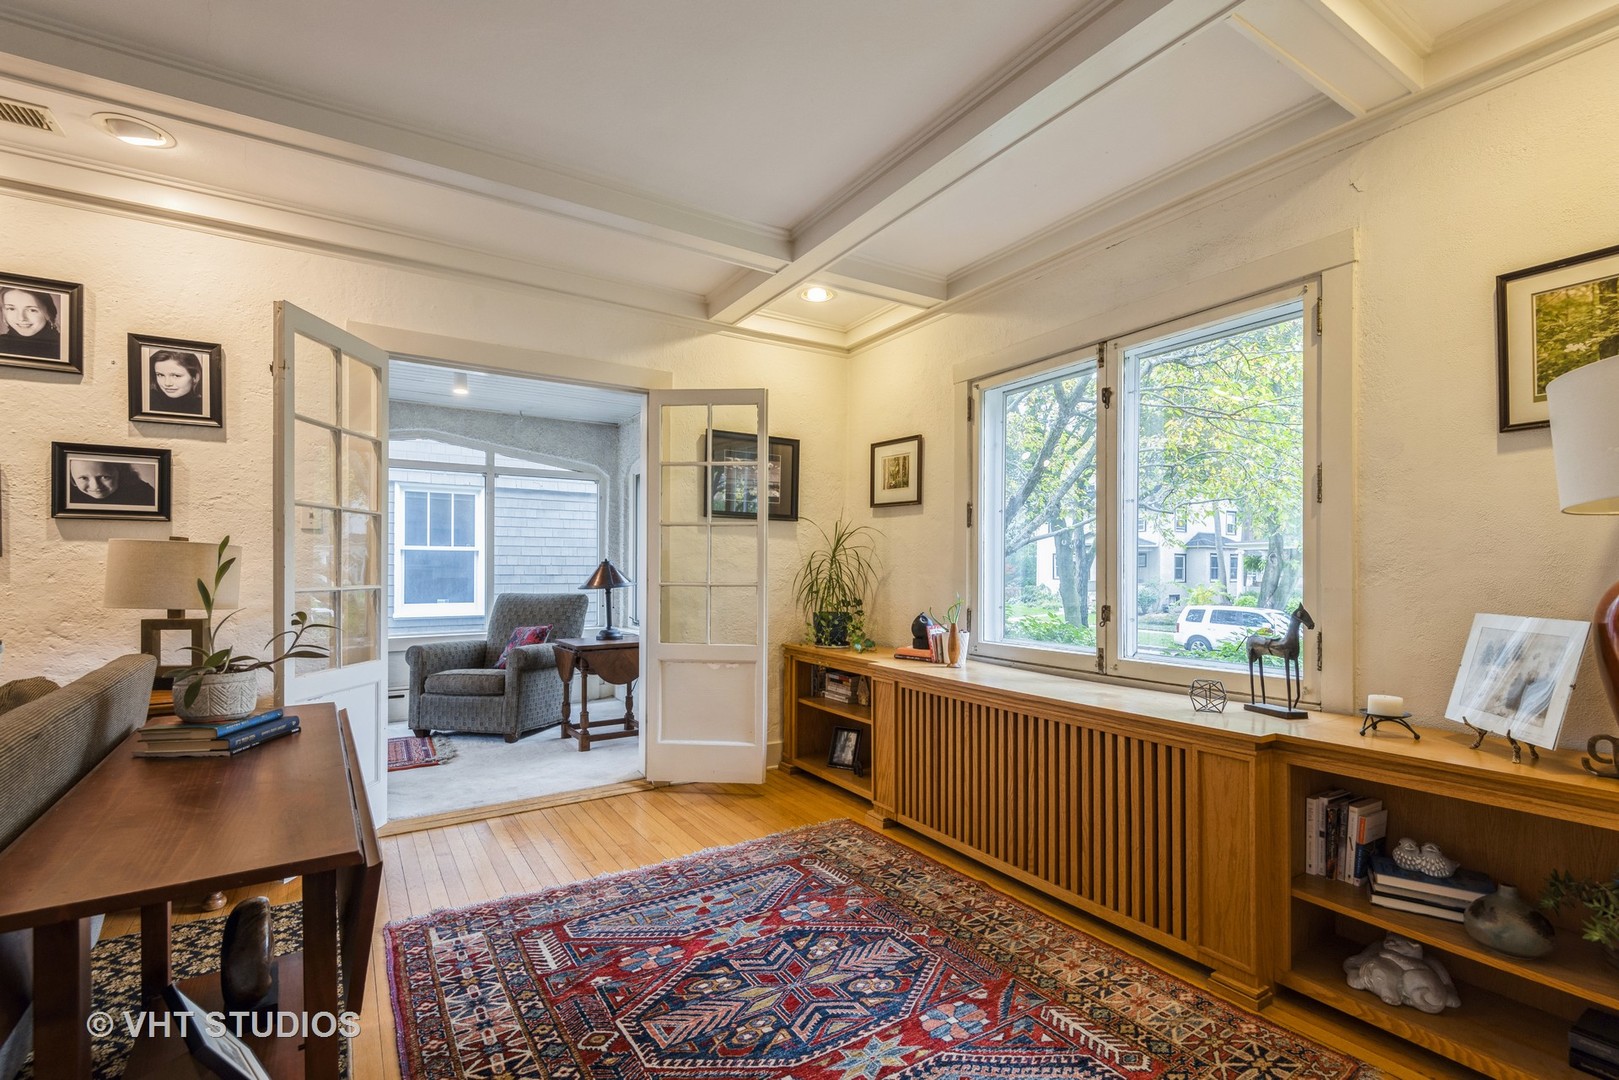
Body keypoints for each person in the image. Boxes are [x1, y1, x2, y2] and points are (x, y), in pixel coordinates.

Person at [0, 287, 61, 360]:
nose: (21, 318)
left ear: (49, 313)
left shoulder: (67, 347)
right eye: (11, 309)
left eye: (32, 310)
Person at [66, 459, 156, 507]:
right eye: (83, 478)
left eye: (105, 477)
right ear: (72, 478)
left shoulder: (144, 493)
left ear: (121, 473)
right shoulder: (66, 497)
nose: (95, 486)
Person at [147, 349, 205, 414]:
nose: (167, 383)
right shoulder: (147, 400)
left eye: (176, 376)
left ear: (196, 377)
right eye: (160, 375)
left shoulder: (206, 406)